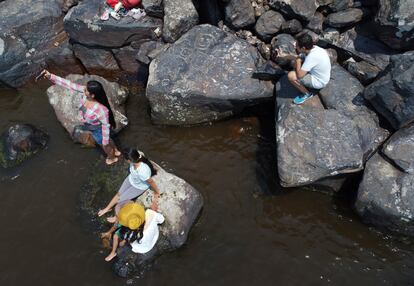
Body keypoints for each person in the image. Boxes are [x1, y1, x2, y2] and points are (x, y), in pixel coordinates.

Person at [41, 70, 121, 165]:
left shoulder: (101, 109)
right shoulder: (85, 94)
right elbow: (69, 84)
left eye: (86, 89)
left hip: (97, 129)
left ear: (92, 95)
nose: (84, 89)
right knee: (107, 142)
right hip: (92, 126)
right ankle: (115, 150)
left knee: (104, 145)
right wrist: (51, 76)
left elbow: (105, 125)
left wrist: (105, 141)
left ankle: (112, 158)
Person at [98, 148, 161, 221]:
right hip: (131, 179)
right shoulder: (135, 161)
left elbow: (151, 182)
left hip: (139, 186)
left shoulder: (142, 171)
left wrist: (157, 192)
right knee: (118, 194)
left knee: (120, 200)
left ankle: (117, 218)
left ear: (129, 160)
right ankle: (107, 209)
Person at [287, 33, 331, 105]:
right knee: (298, 61)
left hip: (319, 81)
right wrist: (284, 56)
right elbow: (300, 56)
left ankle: (307, 94)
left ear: (303, 48)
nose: (295, 46)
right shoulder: (315, 48)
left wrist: (298, 61)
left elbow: (300, 75)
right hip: (324, 76)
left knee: (291, 76)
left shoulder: (311, 57)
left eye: (297, 45)